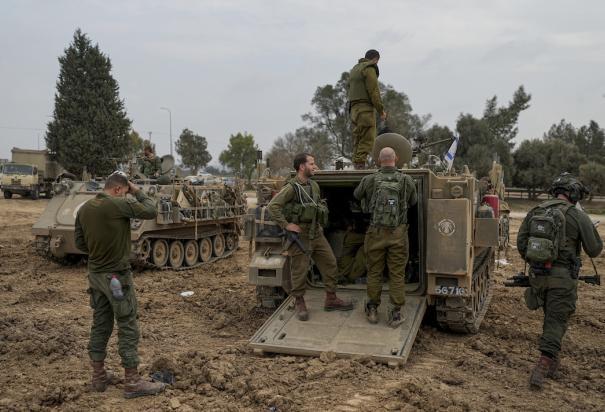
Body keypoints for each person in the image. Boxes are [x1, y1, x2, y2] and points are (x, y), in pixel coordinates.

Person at [75, 171, 165, 398]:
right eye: (124, 191)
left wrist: (99, 253)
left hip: (95, 276)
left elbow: (79, 243)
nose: (126, 194)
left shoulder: (85, 208)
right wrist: (136, 190)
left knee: (101, 323)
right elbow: (151, 209)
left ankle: (98, 377)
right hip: (117, 277)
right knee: (127, 324)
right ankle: (133, 383)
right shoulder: (118, 204)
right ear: (118, 189)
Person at [517, 173, 602, 390]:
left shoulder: (536, 211)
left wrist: (538, 261)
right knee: (556, 320)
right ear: (573, 193)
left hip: (538, 277)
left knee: (551, 315)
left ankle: (553, 361)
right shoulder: (577, 215)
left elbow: (521, 244)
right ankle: (543, 366)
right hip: (562, 280)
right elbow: (594, 249)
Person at [268, 153, 354, 320]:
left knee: (330, 263)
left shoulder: (314, 185)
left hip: (317, 234)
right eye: (312, 163)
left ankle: (331, 298)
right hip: (301, 236)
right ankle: (300, 302)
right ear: (302, 166)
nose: (315, 167)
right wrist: (287, 225)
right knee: (299, 271)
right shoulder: (292, 187)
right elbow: (273, 207)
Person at [354, 147, 417, 327]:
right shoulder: (406, 180)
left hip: (375, 233)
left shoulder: (369, 179)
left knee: (374, 271)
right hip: (398, 233)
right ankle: (395, 313)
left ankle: (372, 309)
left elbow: (357, 195)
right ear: (396, 159)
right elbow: (413, 202)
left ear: (378, 160)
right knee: (397, 273)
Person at [348, 49, 387, 169]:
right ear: (375, 59)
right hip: (365, 109)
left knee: (358, 139)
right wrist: (381, 111)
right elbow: (374, 92)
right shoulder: (369, 68)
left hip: (354, 110)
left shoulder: (355, 69)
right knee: (367, 138)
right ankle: (360, 166)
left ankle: (357, 164)